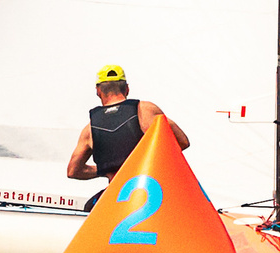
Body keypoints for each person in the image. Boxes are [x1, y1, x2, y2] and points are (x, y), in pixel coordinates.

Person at [64, 65, 190, 210]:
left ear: (98, 91)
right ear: (127, 89)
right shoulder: (146, 110)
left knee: (89, 207)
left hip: (117, 197)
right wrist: (145, 162)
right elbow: (182, 141)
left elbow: (73, 171)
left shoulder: (89, 129)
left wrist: (105, 168)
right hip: (150, 194)